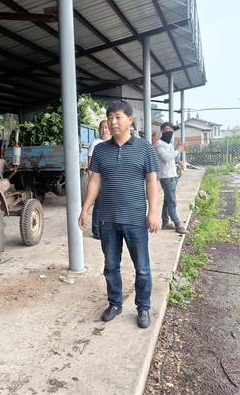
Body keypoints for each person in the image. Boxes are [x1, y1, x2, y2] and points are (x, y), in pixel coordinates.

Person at [78, 100, 160, 327]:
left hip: (135, 219)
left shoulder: (145, 148)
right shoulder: (101, 150)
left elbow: (151, 180)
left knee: (142, 268)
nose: (113, 122)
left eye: (118, 117)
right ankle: (115, 302)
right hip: (107, 220)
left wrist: (153, 211)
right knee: (110, 266)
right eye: (110, 118)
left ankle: (143, 308)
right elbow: (95, 181)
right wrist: (85, 209)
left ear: (130, 120)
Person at [154, 122, 188, 234]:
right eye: (168, 129)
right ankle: (178, 224)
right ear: (162, 131)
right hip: (166, 176)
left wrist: (178, 150)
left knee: (167, 200)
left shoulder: (168, 144)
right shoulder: (159, 144)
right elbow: (166, 158)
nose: (170, 132)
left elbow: (174, 158)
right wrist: (178, 150)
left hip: (172, 175)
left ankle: (165, 222)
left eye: (172, 130)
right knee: (172, 202)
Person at [87, 120, 111, 239]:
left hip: (109, 181)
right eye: (102, 128)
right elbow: (90, 165)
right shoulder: (95, 144)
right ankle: (96, 230)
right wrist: (93, 183)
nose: (104, 130)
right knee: (99, 205)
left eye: (106, 127)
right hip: (98, 181)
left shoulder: (113, 143)